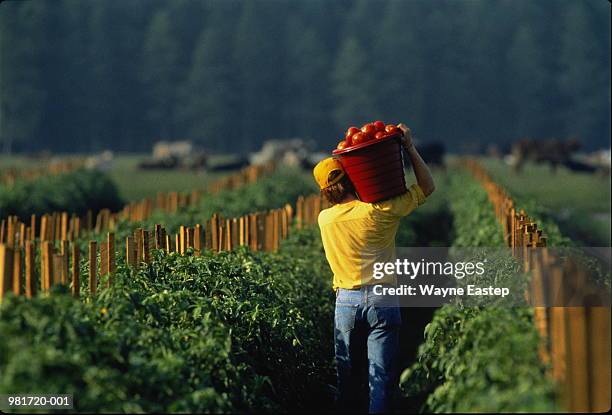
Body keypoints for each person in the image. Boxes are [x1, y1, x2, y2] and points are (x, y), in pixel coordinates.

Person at [313, 124, 435, 413]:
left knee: (347, 379)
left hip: (346, 302)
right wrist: (408, 147)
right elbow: (427, 187)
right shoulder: (380, 211)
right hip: (383, 300)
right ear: (352, 176)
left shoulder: (324, 220)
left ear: (325, 190)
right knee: (380, 379)